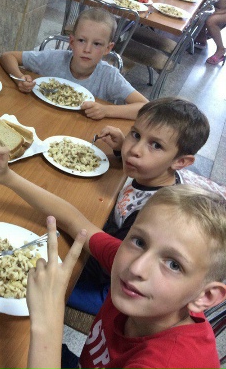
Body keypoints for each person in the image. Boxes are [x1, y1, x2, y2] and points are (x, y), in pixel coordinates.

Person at [0, 139, 226, 368]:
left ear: (205, 296)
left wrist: (47, 324)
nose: (136, 268)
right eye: (139, 241)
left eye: (173, 265)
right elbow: (75, 221)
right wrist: (7, 177)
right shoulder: (132, 265)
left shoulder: (166, 362)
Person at [67, 97, 210, 315]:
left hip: (114, 287)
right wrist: (120, 150)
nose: (134, 150)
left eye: (156, 145)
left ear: (180, 162)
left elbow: (112, 266)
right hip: (111, 252)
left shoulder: (151, 213)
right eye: (135, 135)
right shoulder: (153, 173)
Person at [0, 8, 148, 120]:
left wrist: (105, 110)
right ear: (71, 42)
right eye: (81, 40)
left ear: (107, 49)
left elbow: (146, 108)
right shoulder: (54, 58)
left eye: (97, 44)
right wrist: (19, 78)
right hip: (41, 118)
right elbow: (8, 57)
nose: (87, 49)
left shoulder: (109, 76)